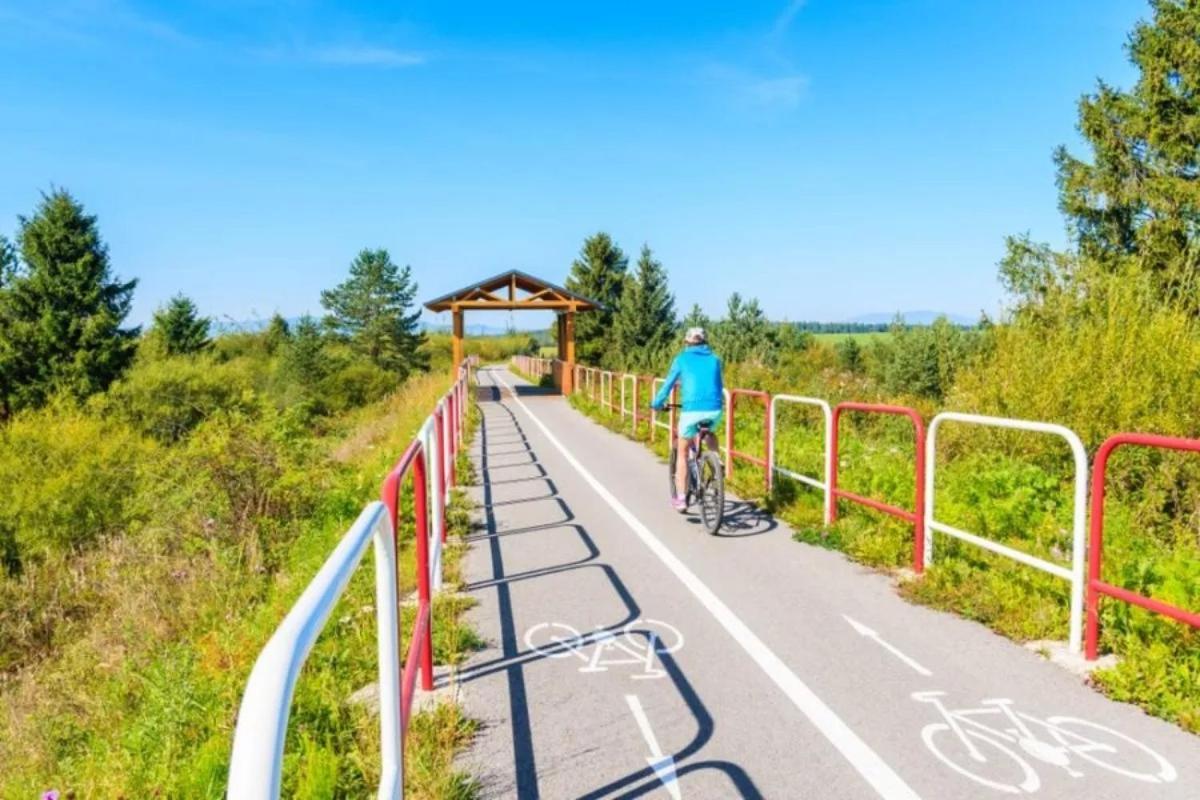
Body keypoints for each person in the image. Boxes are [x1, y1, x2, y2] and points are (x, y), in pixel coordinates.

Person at [650, 327, 724, 511]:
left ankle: (682, 499)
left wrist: (657, 403)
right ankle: (716, 458)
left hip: (691, 410)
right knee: (709, 432)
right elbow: (718, 384)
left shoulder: (681, 359)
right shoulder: (715, 360)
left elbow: (668, 384)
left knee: (682, 452)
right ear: (705, 342)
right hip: (714, 408)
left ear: (687, 343)